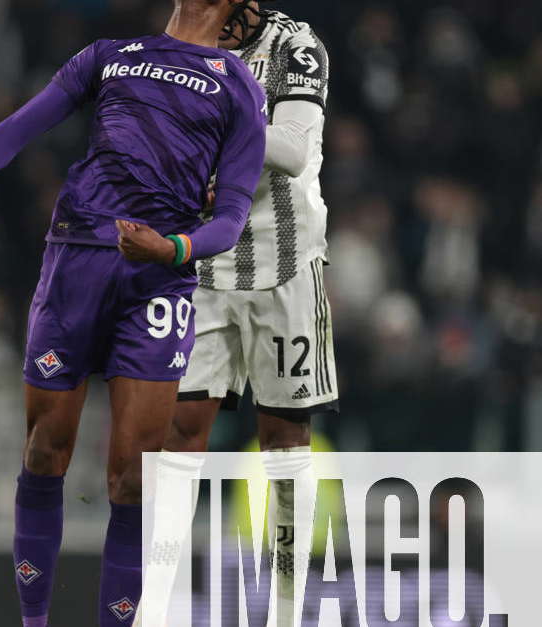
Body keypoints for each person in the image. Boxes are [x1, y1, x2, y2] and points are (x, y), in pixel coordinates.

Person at [0, 0, 267, 624]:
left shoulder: (238, 86)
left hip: (158, 284)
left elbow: (232, 218)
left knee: (133, 479)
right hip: (76, 259)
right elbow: (20, 127)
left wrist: (173, 248)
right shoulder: (108, 56)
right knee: (46, 449)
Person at [161, 1, 338, 623]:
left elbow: (290, 149)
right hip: (203, 268)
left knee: (284, 437)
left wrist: (215, 110)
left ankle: (288, 607)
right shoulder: (179, 41)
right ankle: (158, 598)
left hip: (283, 264)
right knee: (179, 430)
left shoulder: (298, 45)